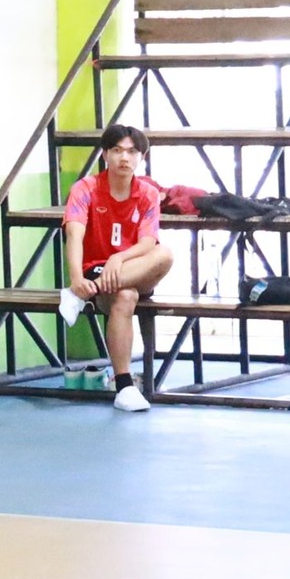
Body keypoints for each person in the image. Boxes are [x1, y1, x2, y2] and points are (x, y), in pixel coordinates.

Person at [62, 124, 174, 413]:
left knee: (164, 254)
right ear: (105, 155)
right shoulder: (85, 188)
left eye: (132, 152)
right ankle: (124, 387)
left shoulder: (148, 193)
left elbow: (148, 242)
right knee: (125, 296)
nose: (125, 157)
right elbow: (74, 234)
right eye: (117, 150)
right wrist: (76, 278)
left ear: (141, 157)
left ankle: (81, 295)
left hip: (133, 268)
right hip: (95, 270)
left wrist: (119, 258)